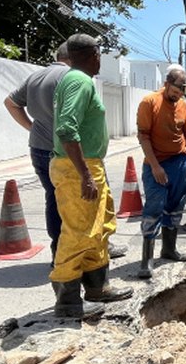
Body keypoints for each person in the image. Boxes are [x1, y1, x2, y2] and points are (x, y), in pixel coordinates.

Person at [5, 45, 128, 265]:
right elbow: (68, 127)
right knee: (90, 205)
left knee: (53, 199)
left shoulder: (36, 77)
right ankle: (88, 256)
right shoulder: (73, 78)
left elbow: (11, 103)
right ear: (75, 58)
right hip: (70, 154)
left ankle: (59, 253)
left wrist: (32, 128)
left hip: (40, 149)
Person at [49, 34, 131, 318]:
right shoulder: (79, 81)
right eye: (100, 53)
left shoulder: (76, 80)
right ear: (94, 54)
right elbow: (66, 128)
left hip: (88, 164)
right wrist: (85, 174)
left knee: (100, 226)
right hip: (77, 169)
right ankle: (68, 302)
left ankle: (97, 287)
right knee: (79, 232)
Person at [136, 67, 186, 278]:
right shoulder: (149, 102)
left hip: (180, 163)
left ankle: (169, 249)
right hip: (157, 164)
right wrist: (155, 166)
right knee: (154, 208)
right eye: (176, 90)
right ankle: (146, 260)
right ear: (166, 83)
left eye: (182, 91)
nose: (178, 94)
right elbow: (143, 136)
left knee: (175, 207)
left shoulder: (182, 105)